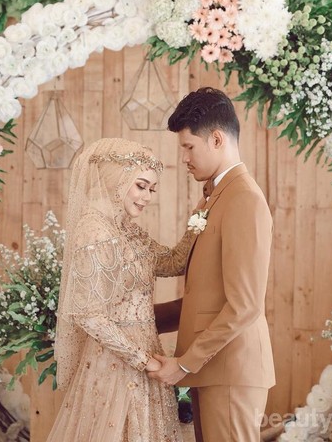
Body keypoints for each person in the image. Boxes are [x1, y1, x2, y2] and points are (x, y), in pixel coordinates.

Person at [148, 87, 276, 441]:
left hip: (231, 371)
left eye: (189, 147)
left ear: (217, 139)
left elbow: (245, 305)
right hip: (212, 370)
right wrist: (134, 320)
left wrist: (185, 363)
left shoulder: (244, 199)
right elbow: (203, 300)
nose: (184, 158)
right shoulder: (214, 198)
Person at [47, 138, 194, 442]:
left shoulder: (125, 228)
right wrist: (143, 359)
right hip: (115, 361)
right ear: (117, 178)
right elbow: (88, 315)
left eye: (152, 189)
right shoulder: (94, 231)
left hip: (145, 353)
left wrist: (200, 219)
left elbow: (171, 262)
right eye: (141, 186)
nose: (147, 197)